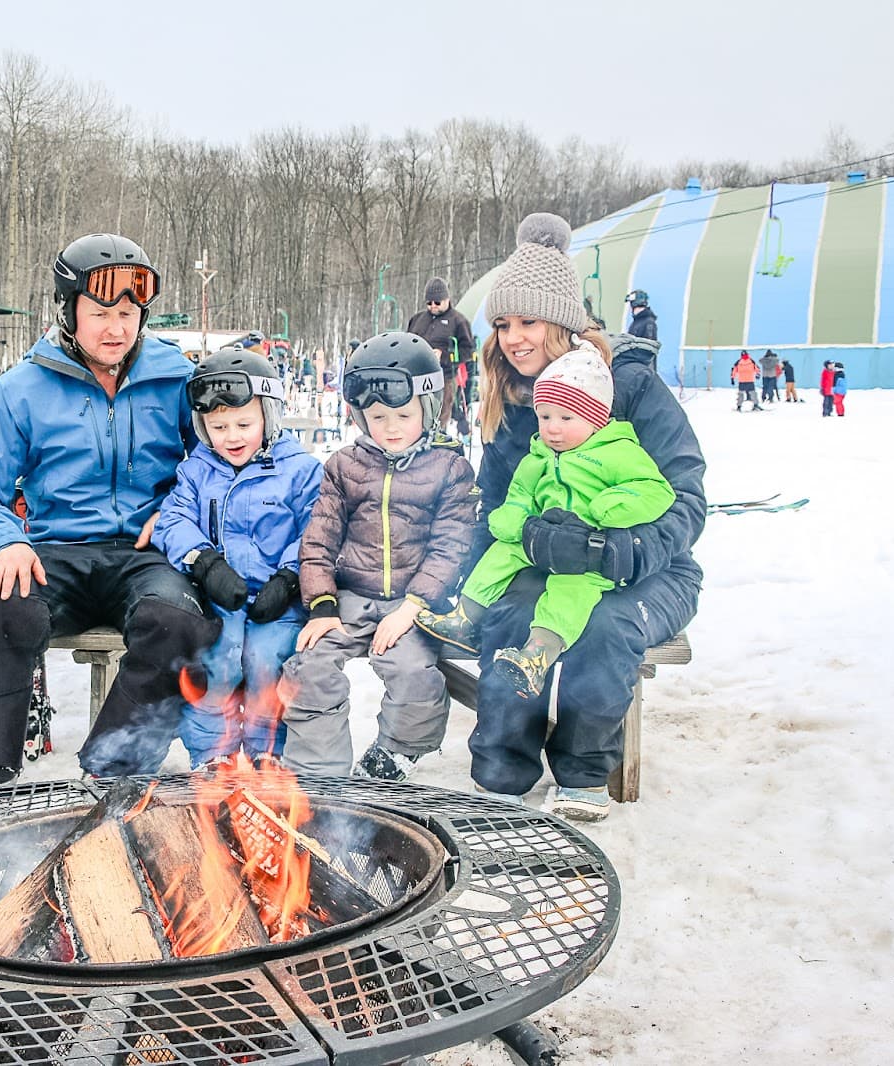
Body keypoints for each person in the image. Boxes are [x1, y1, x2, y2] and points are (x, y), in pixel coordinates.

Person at [0, 232, 221, 793]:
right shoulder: (23, 388)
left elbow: (215, 468)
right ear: (69, 311)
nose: (117, 328)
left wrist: (181, 515)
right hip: (52, 551)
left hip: (147, 552)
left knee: (181, 623)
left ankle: (115, 770)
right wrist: (5, 540)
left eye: (129, 312)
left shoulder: (177, 379)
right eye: (100, 312)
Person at [467, 212, 706, 822]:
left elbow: (685, 498)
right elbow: (494, 504)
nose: (513, 337)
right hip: (545, 566)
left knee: (603, 626)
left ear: (566, 321)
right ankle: (503, 769)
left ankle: (582, 769)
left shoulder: (630, 387)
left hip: (653, 570)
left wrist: (612, 550)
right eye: (502, 324)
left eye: (528, 321)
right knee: (512, 616)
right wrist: (519, 540)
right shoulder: (512, 399)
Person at [416, 345, 675, 698]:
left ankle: (538, 653)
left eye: (566, 419)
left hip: (588, 550)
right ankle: (465, 616)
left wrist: (605, 509)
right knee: (500, 556)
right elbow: (520, 495)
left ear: (596, 418)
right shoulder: (538, 455)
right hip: (540, 541)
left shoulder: (617, 452)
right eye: (545, 416)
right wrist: (516, 523)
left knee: (570, 593)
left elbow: (655, 490)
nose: (553, 429)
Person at [277, 331, 476, 782]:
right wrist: (321, 606)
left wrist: (412, 608)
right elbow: (319, 541)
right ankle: (317, 772)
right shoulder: (345, 466)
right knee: (310, 665)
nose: (391, 427)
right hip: (350, 597)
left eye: (403, 415)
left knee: (413, 673)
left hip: (414, 604)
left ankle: (396, 754)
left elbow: (451, 546)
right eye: (378, 416)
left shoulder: (449, 468)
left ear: (427, 408)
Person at [153, 346, 324, 767]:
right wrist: (204, 562)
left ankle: (268, 752)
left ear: (269, 416)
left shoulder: (300, 471)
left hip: (277, 599)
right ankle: (214, 755)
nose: (231, 437)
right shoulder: (197, 470)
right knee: (218, 659)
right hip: (219, 597)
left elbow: (317, 530)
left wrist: (289, 576)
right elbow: (172, 519)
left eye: (244, 424)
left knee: (268, 662)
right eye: (218, 427)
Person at [406, 276, 477, 438]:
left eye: (437, 303)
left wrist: (444, 355)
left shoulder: (458, 321)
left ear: (446, 300)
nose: (433, 307)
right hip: (417, 374)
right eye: (429, 303)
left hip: (444, 376)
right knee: (415, 413)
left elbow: (468, 350)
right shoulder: (417, 320)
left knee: (439, 413)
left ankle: (437, 440)